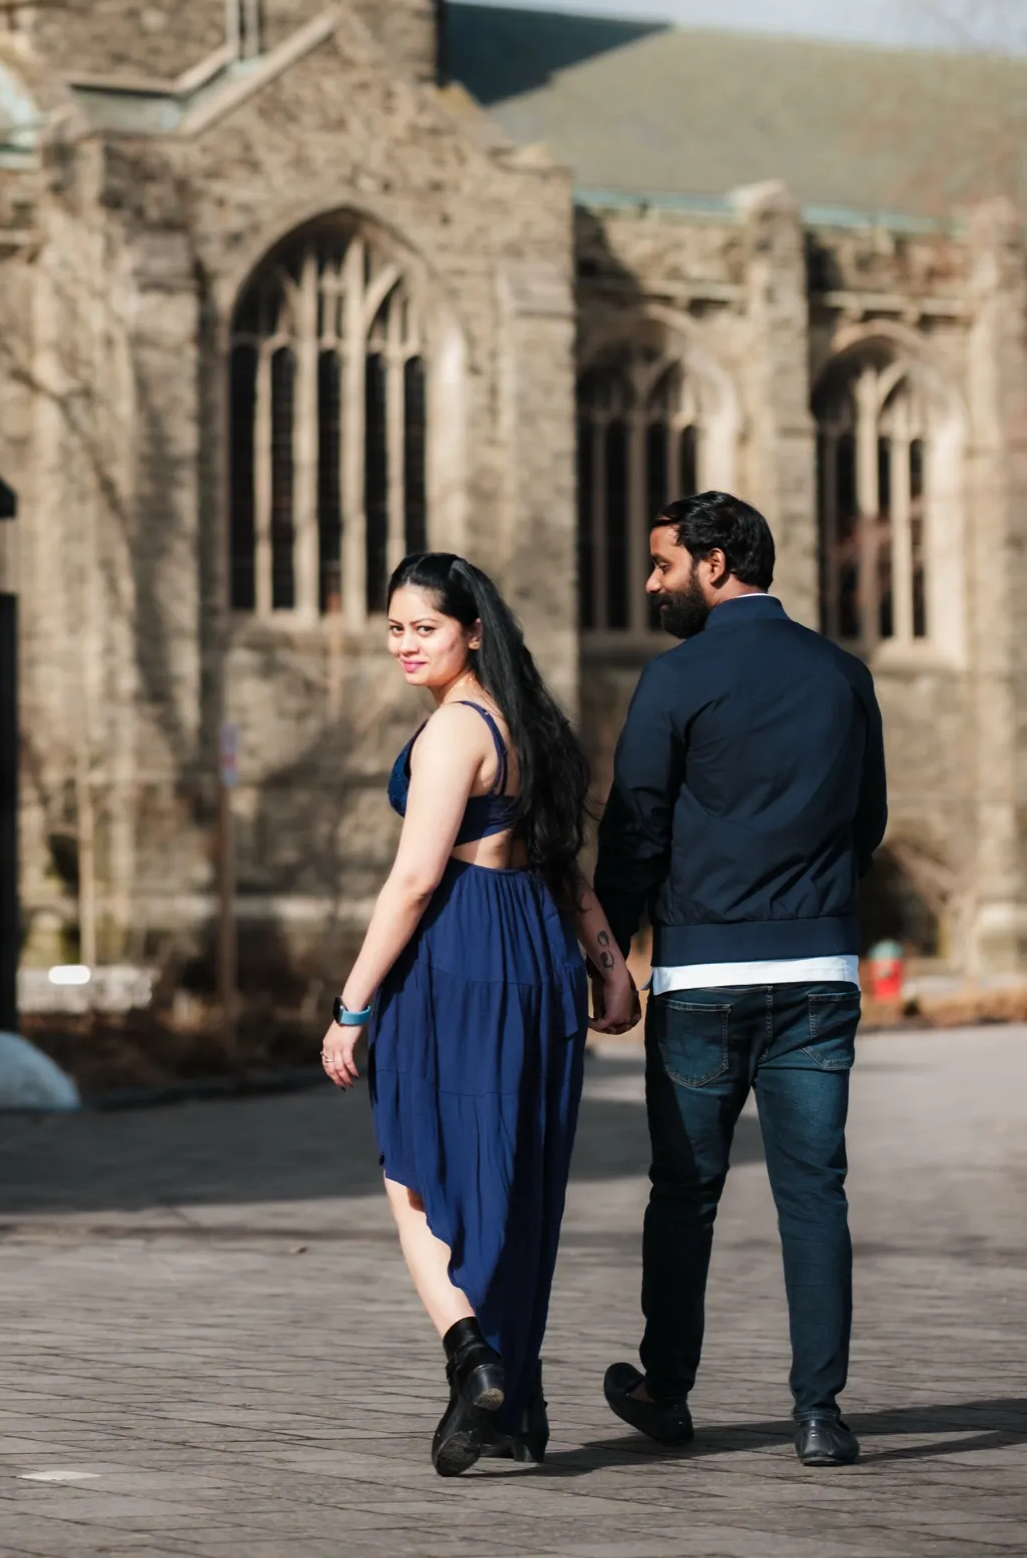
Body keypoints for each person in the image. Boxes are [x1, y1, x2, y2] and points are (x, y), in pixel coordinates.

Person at [322, 553, 639, 1476]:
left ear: (469, 630)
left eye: (424, 627)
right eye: (394, 629)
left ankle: (475, 1359)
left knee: (412, 1167)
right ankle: (513, 1409)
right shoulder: (532, 725)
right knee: (516, 1178)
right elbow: (562, 865)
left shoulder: (453, 733)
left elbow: (416, 878)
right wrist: (611, 969)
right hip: (535, 957)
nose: (405, 644)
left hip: (458, 952)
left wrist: (351, 1003)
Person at [593, 490, 887, 1470]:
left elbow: (634, 826)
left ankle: (664, 1391)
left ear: (714, 565)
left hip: (704, 975)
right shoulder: (842, 675)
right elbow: (865, 823)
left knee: (684, 1194)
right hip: (817, 972)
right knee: (814, 1195)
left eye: (662, 562)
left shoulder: (673, 681)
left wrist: (607, 955)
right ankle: (817, 1413)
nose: (649, 582)